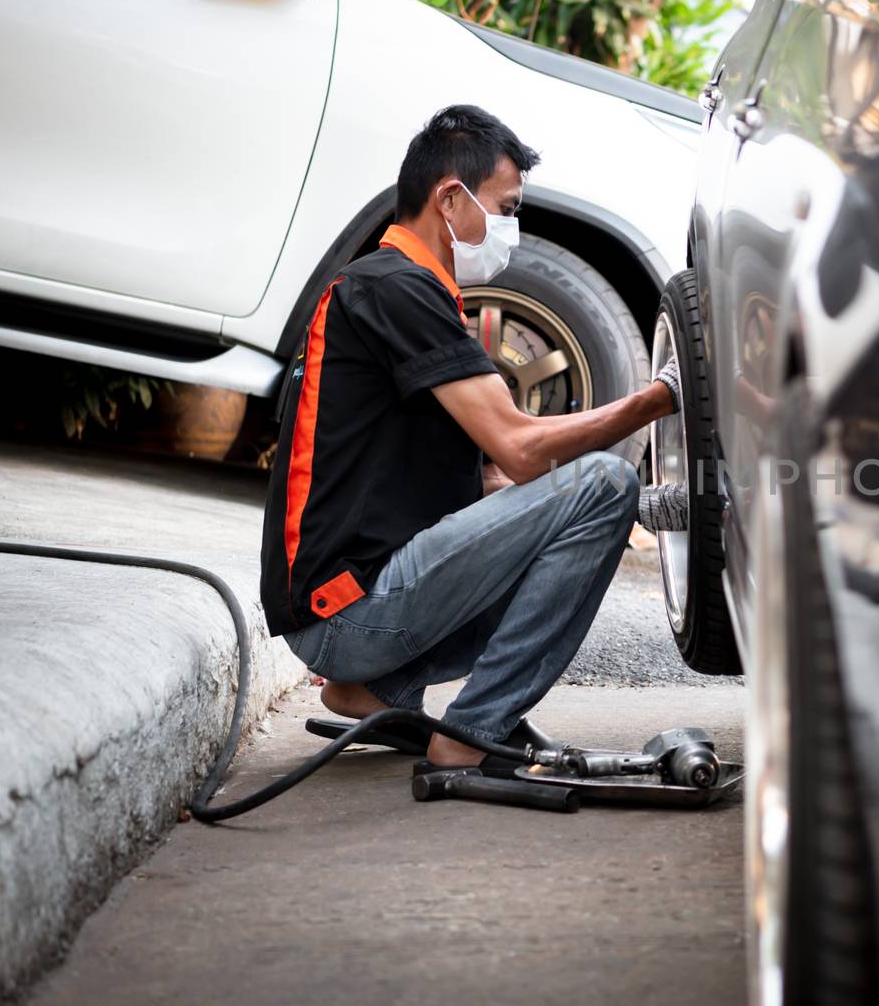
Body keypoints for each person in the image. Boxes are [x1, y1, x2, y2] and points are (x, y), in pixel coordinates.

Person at [260, 104, 681, 769]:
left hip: (350, 609)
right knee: (605, 479)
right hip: (346, 613)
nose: (510, 228)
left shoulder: (398, 289)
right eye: (505, 207)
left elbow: (496, 482)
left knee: (602, 499)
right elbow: (519, 446)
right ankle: (473, 730)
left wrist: (649, 509)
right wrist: (661, 398)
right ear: (451, 199)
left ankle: (372, 689)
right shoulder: (396, 288)